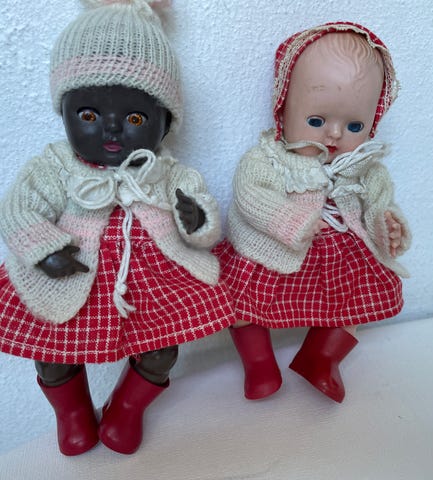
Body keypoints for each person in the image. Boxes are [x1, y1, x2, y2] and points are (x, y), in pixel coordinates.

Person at [0, 0, 235, 456]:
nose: (111, 129)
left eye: (135, 118)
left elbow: (205, 221)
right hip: (73, 270)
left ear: (165, 123)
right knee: (51, 350)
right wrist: (44, 248)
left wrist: (197, 219)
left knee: (162, 349)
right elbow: (18, 208)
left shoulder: (166, 173)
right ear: (63, 112)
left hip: (153, 275)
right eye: (88, 115)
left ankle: (126, 408)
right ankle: (73, 414)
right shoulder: (55, 166)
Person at [215, 22, 411, 403]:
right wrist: (289, 220)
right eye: (317, 121)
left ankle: (322, 358)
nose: (334, 135)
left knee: (354, 304)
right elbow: (250, 195)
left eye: (354, 125)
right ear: (283, 109)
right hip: (274, 250)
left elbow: (380, 202)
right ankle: (259, 363)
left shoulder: (364, 170)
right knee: (243, 303)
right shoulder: (269, 159)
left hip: (340, 255)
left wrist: (386, 225)